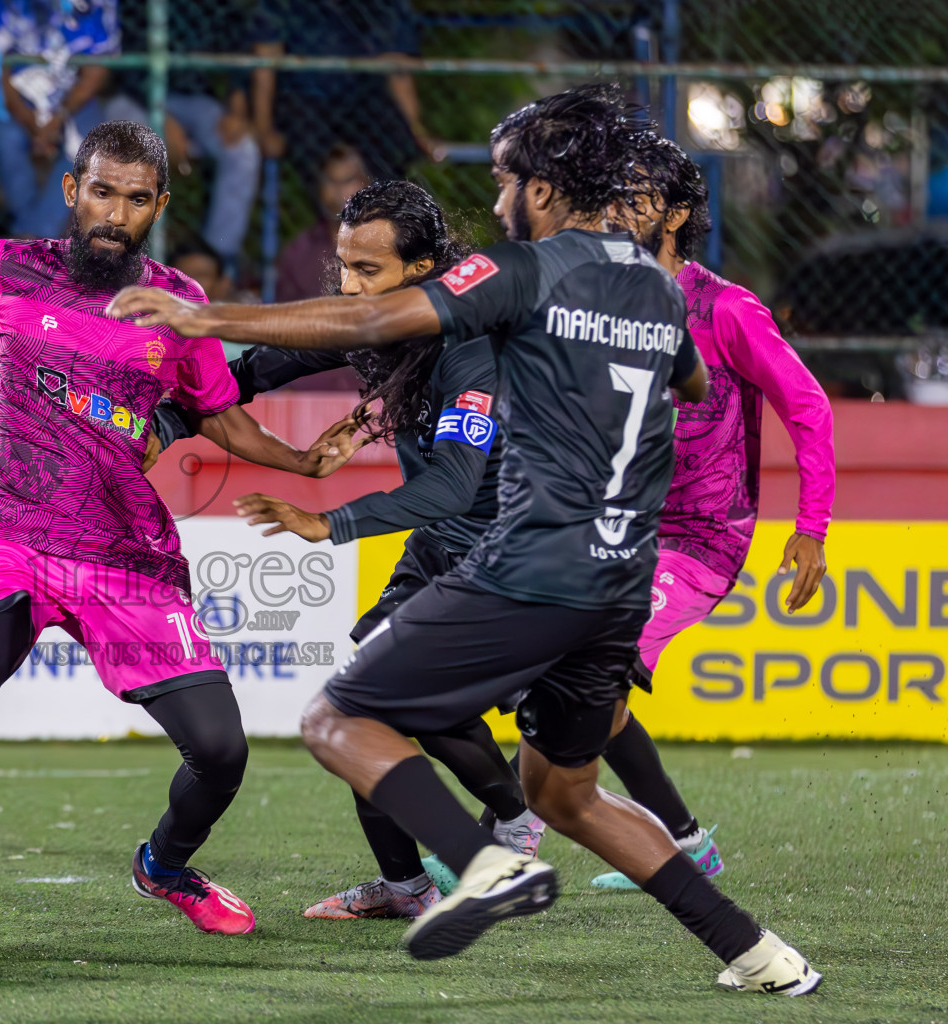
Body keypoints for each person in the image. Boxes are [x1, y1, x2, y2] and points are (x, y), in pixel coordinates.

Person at [107, 86, 821, 995]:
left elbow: (371, 321)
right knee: (568, 796)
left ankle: (483, 865)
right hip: (622, 581)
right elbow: (686, 385)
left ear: (549, 189)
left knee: (338, 719)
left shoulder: (521, 270)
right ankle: (760, 954)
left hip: (534, 564)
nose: (495, 204)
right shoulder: (658, 287)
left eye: (504, 182)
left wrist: (205, 318)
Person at [0, 121, 361, 938]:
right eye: (102, 191)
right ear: (73, 190)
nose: (115, 213)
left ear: (158, 206)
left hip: (124, 557)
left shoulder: (180, 307)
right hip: (14, 539)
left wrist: (301, 464)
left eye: (136, 199)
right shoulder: (9, 267)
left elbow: (219, 420)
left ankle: (163, 865)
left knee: (222, 753)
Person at [152, 179, 545, 921]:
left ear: (423, 272)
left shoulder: (466, 347)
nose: (350, 286)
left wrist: (325, 523)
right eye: (343, 268)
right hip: (442, 550)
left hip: (505, 554)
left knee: (383, 703)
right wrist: (166, 425)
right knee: (366, 712)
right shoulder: (372, 327)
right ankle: (412, 883)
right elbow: (253, 373)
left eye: (369, 272)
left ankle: (516, 816)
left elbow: (456, 487)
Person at [585, 134, 835, 890]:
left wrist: (811, 529)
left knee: (593, 670)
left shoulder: (726, 309)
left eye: (638, 194)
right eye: (614, 194)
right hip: (612, 530)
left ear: (679, 211)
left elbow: (809, 406)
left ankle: (503, 841)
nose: (620, 208)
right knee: (582, 680)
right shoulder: (601, 300)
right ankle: (685, 844)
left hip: (699, 541)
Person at [106, 0, 260, 265]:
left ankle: (215, 261)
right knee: (136, 144)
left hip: (193, 100)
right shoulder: (132, 6)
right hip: (135, 98)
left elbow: (237, 42)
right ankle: (128, 257)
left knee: (242, 150)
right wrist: (162, 120)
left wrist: (237, 104)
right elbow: (125, 69)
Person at [248, 0, 444, 183]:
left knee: (395, 142)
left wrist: (415, 130)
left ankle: (384, 207)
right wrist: (263, 127)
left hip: (364, 99)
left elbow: (398, 69)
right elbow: (265, 60)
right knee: (313, 146)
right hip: (303, 98)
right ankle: (333, 210)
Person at [0, 0, 120, 241]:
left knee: (89, 144)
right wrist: (29, 120)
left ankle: (31, 238)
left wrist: (58, 117)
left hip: (72, 99)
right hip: (19, 99)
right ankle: (36, 240)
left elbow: (97, 70)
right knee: (8, 139)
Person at [275, 145, 370, 304]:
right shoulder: (299, 252)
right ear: (320, 188)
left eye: (347, 181)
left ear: (365, 185)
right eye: (330, 181)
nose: (338, 190)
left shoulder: (389, 245)